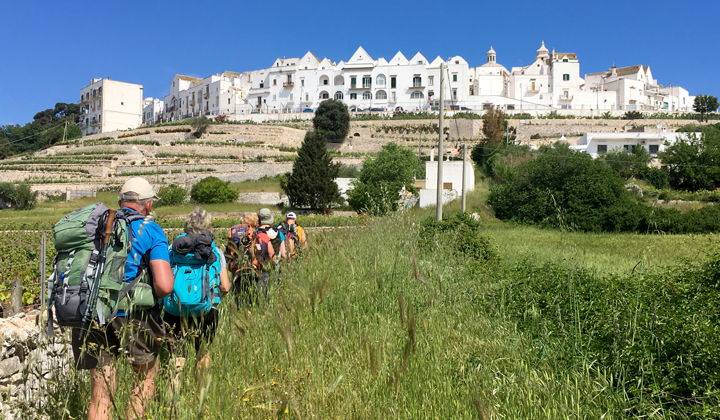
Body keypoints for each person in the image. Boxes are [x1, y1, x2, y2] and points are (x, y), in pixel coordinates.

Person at [71, 177, 174, 420]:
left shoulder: (96, 226)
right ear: (148, 206)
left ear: (120, 202)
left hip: (91, 311)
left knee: (101, 392)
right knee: (146, 379)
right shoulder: (150, 230)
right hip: (131, 314)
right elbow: (164, 285)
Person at [163, 208, 231, 385]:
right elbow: (226, 286)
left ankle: (173, 400)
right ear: (208, 226)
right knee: (203, 352)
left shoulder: (172, 249)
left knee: (177, 355)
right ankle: (200, 395)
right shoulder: (215, 251)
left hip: (174, 310)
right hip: (206, 310)